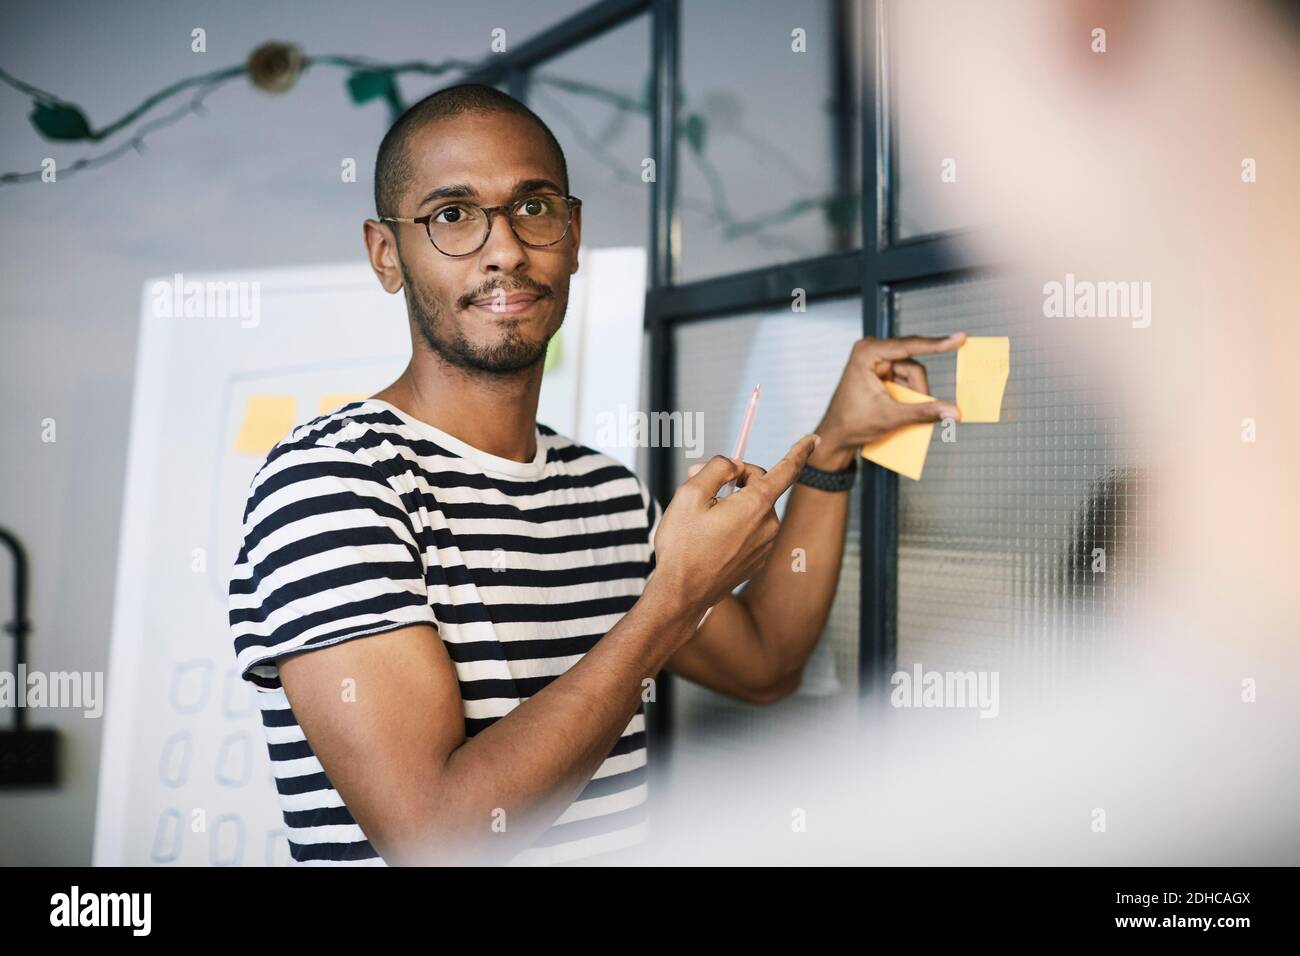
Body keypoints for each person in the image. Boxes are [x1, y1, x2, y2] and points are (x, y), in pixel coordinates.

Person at [227, 83, 963, 866]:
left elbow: (768, 665)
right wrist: (670, 603)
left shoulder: (604, 494)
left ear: (572, 236)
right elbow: (432, 837)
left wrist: (834, 447)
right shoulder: (332, 483)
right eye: (452, 215)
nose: (504, 247)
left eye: (534, 207)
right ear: (387, 254)